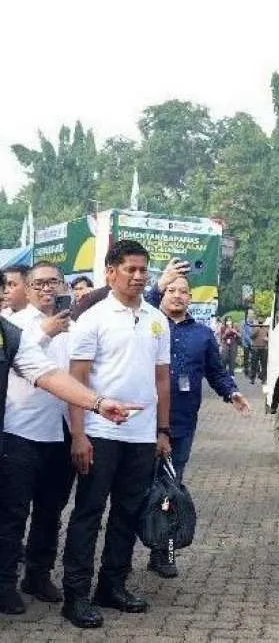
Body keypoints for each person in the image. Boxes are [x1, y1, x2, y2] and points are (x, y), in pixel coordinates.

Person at [60, 240, 172, 629]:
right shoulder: (92, 319)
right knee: (89, 512)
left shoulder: (158, 319)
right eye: (131, 269)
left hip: (142, 438)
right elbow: (76, 381)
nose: (139, 276)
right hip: (99, 433)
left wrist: (161, 430)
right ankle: (75, 595)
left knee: (128, 512)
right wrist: (78, 435)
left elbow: (162, 379)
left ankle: (112, 585)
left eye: (144, 270)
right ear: (111, 272)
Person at [0, 314, 139, 617]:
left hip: (52, 436)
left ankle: (27, 577)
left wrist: (97, 403)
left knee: (42, 513)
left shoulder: (9, 334)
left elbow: (50, 375)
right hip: (19, 436)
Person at [143, 260, 250, 577]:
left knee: (169, 492)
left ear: (191, 298)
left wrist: (232, 393)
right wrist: (156, 286)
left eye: (183, 292)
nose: (177, 295)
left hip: (180, 426)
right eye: (171, 290)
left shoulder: (203, 335)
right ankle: (118, 558)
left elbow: (217, 373)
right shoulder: (148, 321)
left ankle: (163, 552)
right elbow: (135, 306)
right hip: (139, 424)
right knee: (134, 491)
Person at [0, 262, 76, 614]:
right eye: (40, 283)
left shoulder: (75, 326)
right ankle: (4, 582)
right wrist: (45, 332)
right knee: (13, 512)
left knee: (51, 510)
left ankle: (38, 574)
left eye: (54, 282)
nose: (48, 289)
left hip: (60, 432)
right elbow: (23, 362)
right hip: (20, 431)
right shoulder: (14, 325)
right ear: (27, 289)